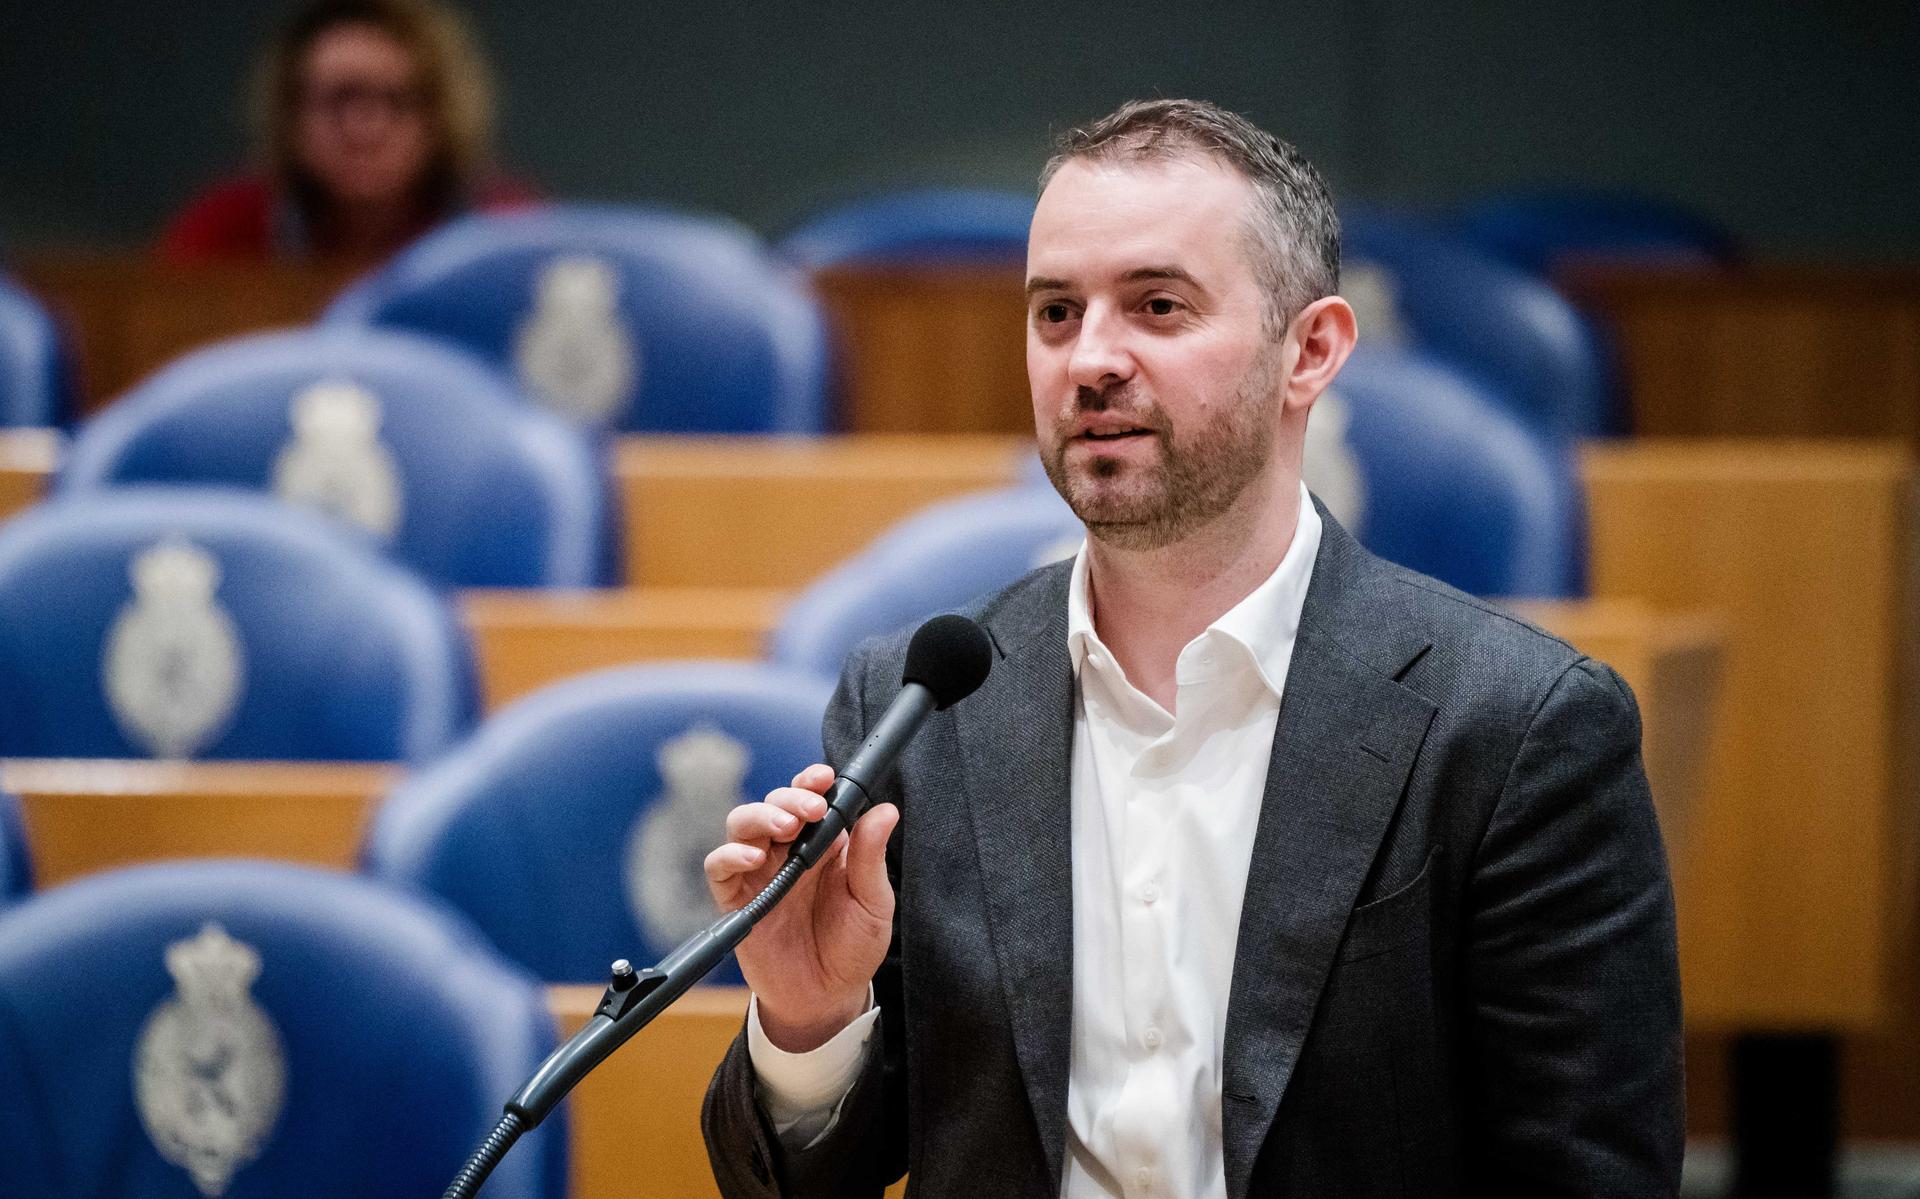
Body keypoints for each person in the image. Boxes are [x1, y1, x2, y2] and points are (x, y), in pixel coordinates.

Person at [702, 99, 1684, 1197]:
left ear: (1310, 349)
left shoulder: (1517, 731)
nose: (1090, 360)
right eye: (1056, 312)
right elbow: (803, 1180)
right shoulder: (920, 700)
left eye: (1157, 306)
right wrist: (807, 1018)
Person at [157, 0, 532, 266]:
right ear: (291, 114)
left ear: (440, 116)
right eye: (340, 99)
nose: (364, 129)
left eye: (396, 100)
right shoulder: (226, 234)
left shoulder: (507, 232)